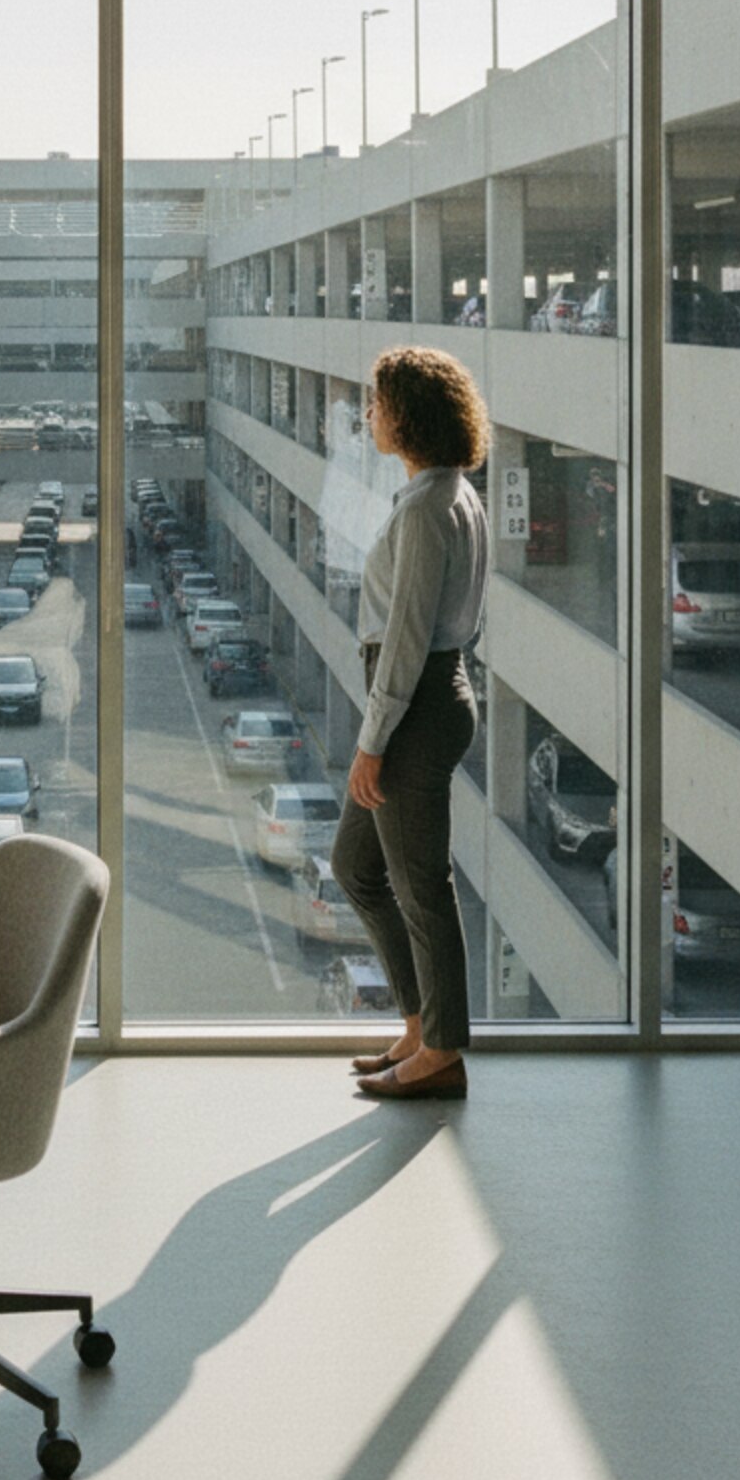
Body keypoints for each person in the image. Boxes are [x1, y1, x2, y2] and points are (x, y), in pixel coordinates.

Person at [333, 346, 489, 1100]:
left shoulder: (431, 507)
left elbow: (406, 635)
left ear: (409, 415)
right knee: (358, 867)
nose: (371, 415)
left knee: (421, 884)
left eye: (378, 402)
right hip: (430, 695)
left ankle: (444, 1051)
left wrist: (374, 741)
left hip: (414, 704)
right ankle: (421, 1026)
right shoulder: (449, 494)